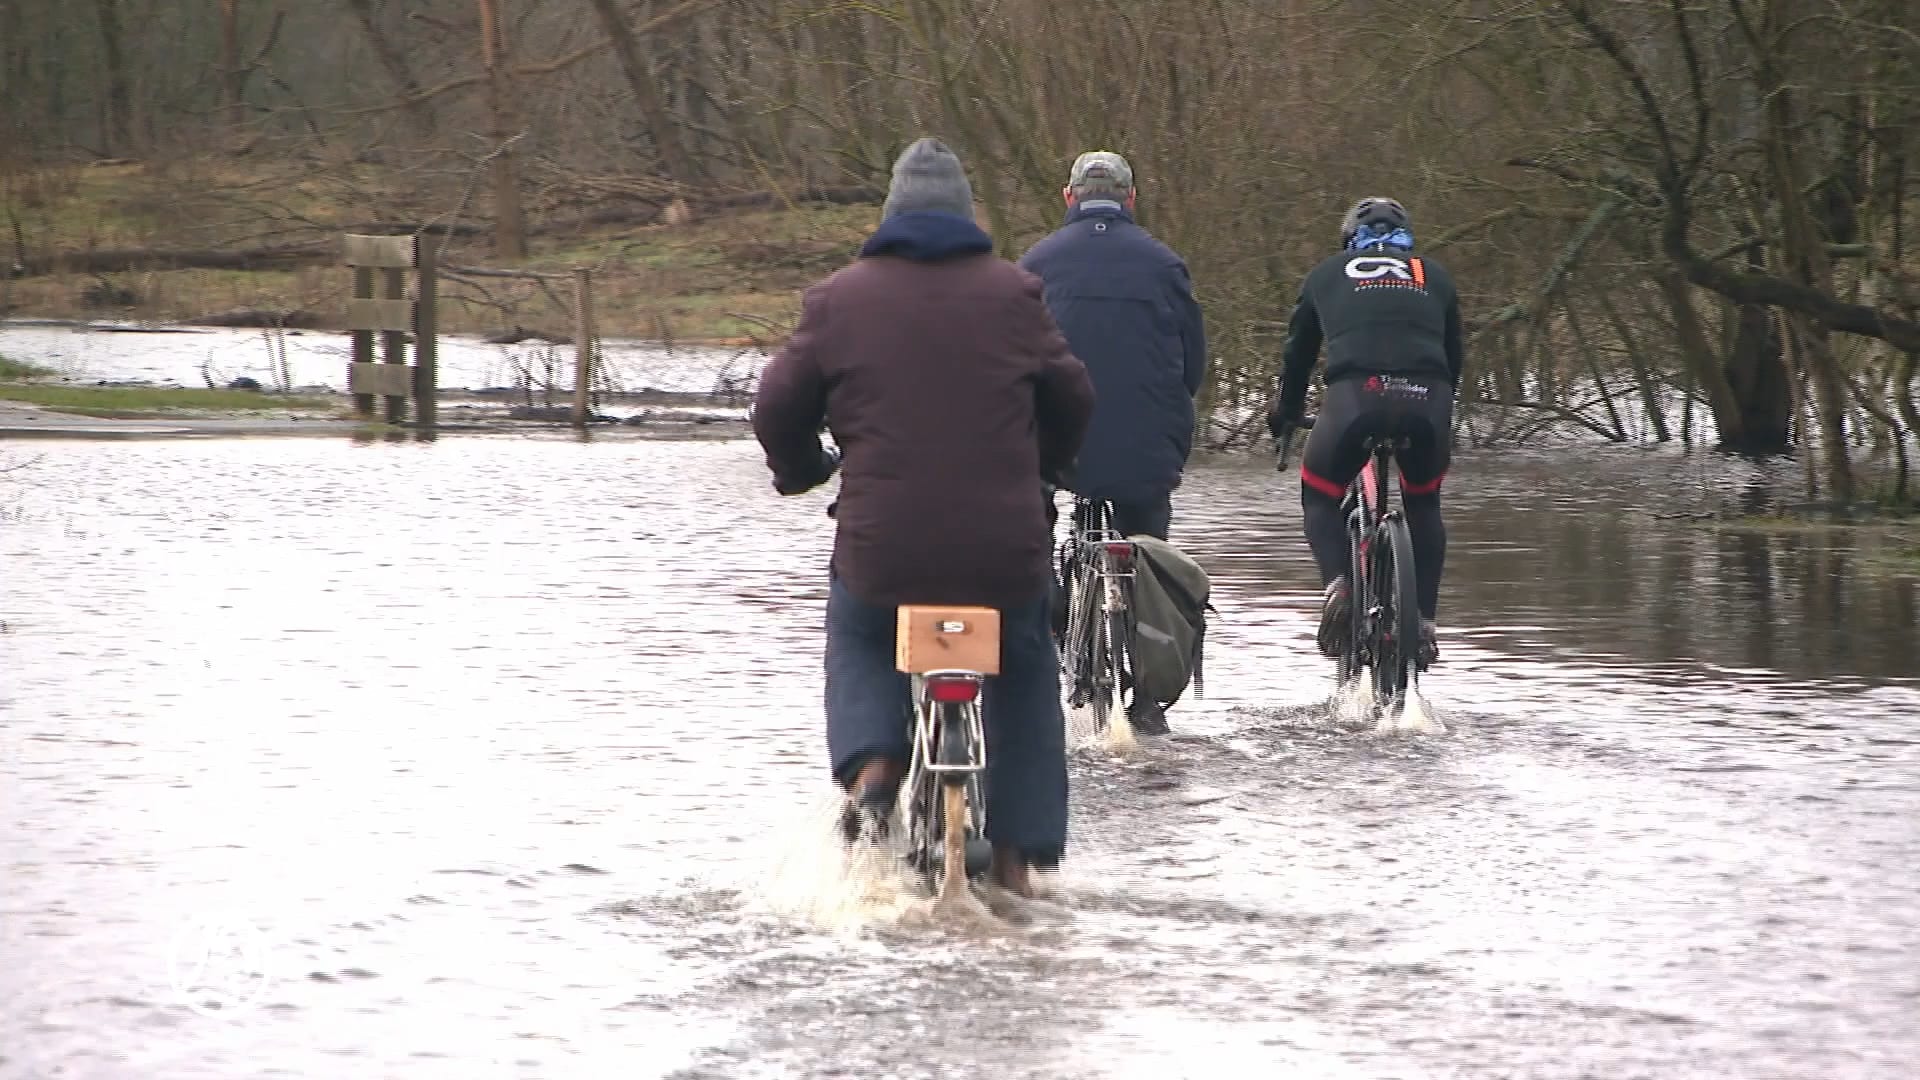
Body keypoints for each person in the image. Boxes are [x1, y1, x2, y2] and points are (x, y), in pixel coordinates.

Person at [750, 137, 1095, 898]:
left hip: (885, 546)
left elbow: (775, 405)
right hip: (1004, 548)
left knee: (862, 631)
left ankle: (875, 766)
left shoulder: (839, 298)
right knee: (1027, 660)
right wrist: (1053, 464)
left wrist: (803, 471)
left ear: (889, 214)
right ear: (968, 215)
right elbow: (1074, 396)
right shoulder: (1015, 293)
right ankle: (1017, 857)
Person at [1266, 196, 1464, 670]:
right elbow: (1453, 357)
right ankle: (1426, 625)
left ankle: (1339, 586)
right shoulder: (1434, 275)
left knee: (1318, 494)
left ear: (1349, 239)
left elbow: (1298, 356)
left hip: (1357, 397)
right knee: (1424, 502)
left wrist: (1287, 413)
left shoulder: (1327, 273)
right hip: (1428, 398)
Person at [1018, 150, 1208, 542]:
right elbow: (1193, 366)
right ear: (1132, 198)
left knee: (1031, 515)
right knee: (1148, 537)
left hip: (1060, 444)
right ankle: (1151, 582)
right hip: (1146, 444)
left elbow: (1012, 363)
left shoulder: (1035, 264)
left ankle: (1045, 595)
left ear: (1069, 197)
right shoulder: (1165, 265)